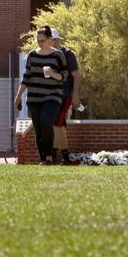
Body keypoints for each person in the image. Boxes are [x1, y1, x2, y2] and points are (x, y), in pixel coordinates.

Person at [14, 26, 68, 165]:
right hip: (34, 98)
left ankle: (50, 156)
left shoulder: (58, 55)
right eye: (38, 40)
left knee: (46, 122)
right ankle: (43, 159)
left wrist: (53, 74)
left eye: (43, 40)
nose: (40, 43)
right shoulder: (32, 55)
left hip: (52, 96)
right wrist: (18, 96)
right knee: (38, 129)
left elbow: (64, 76)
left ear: (50, 40)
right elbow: (26, 78)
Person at [50, 29, 82, 165]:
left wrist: (75, 96)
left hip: (65, 96)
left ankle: (51, 158)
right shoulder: (47, 55)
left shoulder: (68, 54)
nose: (52, 42)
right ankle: (65, 158)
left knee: (57, 125)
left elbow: (77, 76)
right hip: (51, 96)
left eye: (54, 40)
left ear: (58, 40)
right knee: (58, 126)